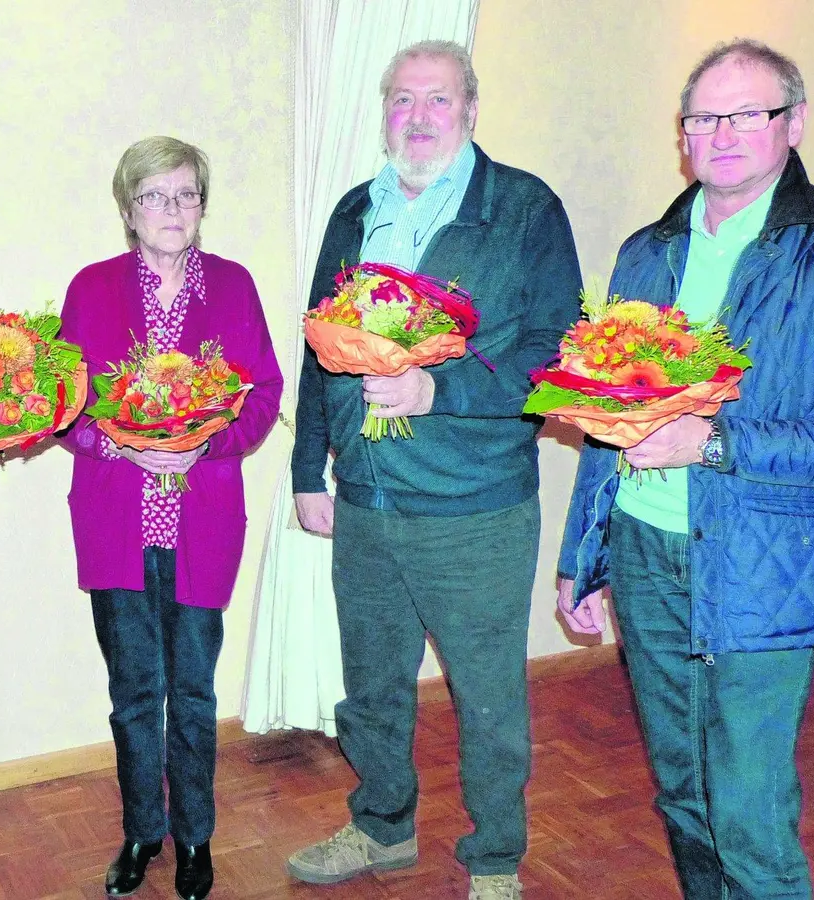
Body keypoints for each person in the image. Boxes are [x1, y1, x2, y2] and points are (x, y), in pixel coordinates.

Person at [556, 39, 814, 899]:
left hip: (763, 560)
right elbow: (602, 415)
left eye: (746, 113)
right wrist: (587, 557)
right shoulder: (646, 252)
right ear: (681, 134)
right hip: (647, 554)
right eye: (702, 117)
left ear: (793, 124)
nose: (721, 133)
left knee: (749, 811)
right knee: (682, 796)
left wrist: (713, 440)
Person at [286, 40, 582, 900]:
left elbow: (553, 354)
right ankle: (382, 827)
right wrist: (311, 468)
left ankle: (494, 856)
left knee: (487, 697)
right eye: (401, 101)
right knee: (371, 686)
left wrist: (436, 387)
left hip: (474, 508)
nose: (417, 117)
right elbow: (318, 349)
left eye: (437, 100)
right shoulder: (352, 212)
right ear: (385, 113)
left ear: (471, 109)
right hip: (366, 501)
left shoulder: (524, 209)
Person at [60, 136, 283, 900]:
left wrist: (209, 445)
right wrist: (119, 443)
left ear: (202, 206)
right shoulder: (91, 288)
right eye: (155, 196)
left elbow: (263, 394)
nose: (173, 210)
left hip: (202, 523)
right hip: (118, 524)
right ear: (128, 208)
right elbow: (63, 408)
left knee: (192, 690)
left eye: (186, 195)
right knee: (132, 692)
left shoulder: (233, 285)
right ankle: (139, 831)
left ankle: (194, 838)